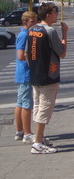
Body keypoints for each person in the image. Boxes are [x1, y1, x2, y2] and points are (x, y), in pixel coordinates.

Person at [27, 3, 68, 154]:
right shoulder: (50, 31)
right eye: (55, 12)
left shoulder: (33, 29)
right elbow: (62, 53)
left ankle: (40, 137)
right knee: (44, 108)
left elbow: (26, 54)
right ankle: (37, 143)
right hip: (48, 75)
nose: (57, 14)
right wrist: (64, 34)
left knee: (37, 106)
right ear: (49, 15)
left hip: (35, 74)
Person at [14, 11, 38, 144]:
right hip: (26, 74)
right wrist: (34, 56)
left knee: (20, 103)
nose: (35, 24)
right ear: (25, 22)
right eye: (32, 22)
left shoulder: (23, 34)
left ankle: (19, 131)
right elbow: (21, 55)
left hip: (21, 73)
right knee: (27, 104)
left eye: (35, 21)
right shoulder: (24, 35)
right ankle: (27, 133)